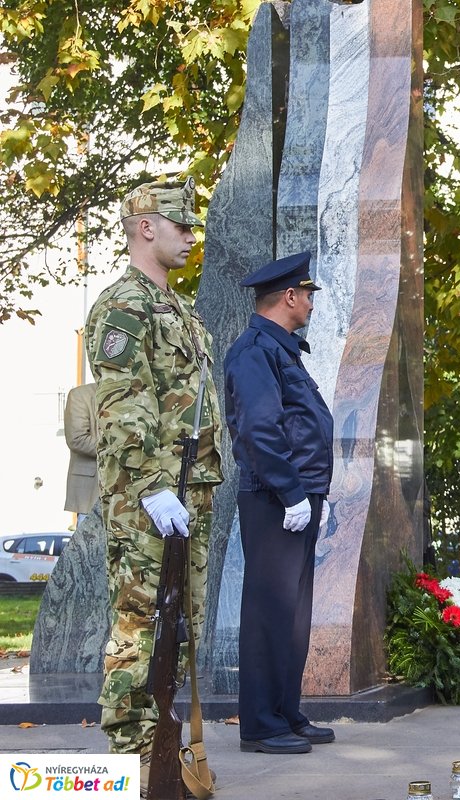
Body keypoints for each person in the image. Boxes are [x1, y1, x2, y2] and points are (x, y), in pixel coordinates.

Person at [84, 178, 223, 759]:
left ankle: (162, 746)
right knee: (143, 621)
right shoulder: (123, 306)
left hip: (189, 490)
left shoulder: (178, 309)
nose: (191, 237)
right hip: (150, 496)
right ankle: (134, 750)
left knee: (177, 624)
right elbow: (122, 410)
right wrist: (152, 488)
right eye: (180, 226)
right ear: (146, 228)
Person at [224, 251, 336, 754]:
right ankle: (261, 724)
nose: (312, 303)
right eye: (307, 294)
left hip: (296, 497)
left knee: (293, 614)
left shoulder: (283, 350)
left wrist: (314, 493)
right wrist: (292, 491)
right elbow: (259, 428)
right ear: (289, 296)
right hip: (274, 500)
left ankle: (286, 712)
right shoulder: (255, 351)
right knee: (270, 612)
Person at [63, 381, 100, 516]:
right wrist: (119, 450)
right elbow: (77, 439)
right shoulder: (80, 395)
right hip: (90, 495)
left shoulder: (137, 393)